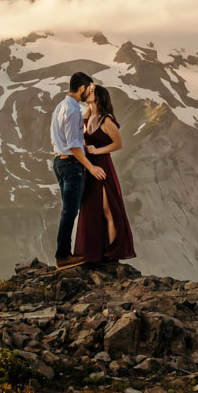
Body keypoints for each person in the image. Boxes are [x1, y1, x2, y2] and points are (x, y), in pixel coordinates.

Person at [75, 83, 137, 266]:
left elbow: (118, 144)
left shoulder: (106, 120)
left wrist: (96, 151)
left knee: (108, 210)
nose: (88, 93)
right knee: (92, 211)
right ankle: (94, 253)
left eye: (92, 91)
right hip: (89, 169)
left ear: (99, 96)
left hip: (102, 169)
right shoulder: (86, 119)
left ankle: (112, 255)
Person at [50, 72, 101, 269]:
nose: (88, 91)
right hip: (71, 164)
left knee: (68, 211)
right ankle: (63, 256)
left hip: (59, 162)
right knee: (70, 212)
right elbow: (73, 145)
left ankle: (64, 253)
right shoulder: (72, 111)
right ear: (81, 88)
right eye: (88, 89)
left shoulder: (60, 106)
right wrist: (90, 166)